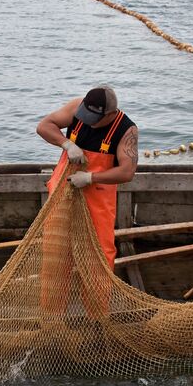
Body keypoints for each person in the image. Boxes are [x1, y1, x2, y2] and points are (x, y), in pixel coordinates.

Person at [36, 86, 139, 269]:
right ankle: (54, 297)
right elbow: (44, 126)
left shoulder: (126, 130)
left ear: (110, 114)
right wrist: (66, 144)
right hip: (64, 189)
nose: (87, 122)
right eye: (85, 115)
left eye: (94, 119)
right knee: (56, 247)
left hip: (97, 197)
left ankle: (96, 297)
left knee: (98, 252)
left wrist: (90, 177)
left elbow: (127, 171)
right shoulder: (77, 107)